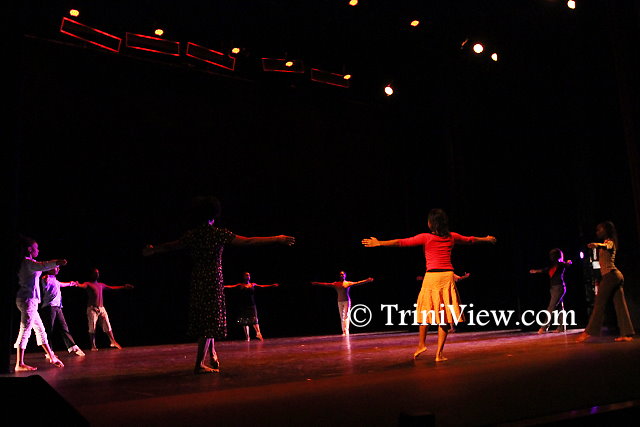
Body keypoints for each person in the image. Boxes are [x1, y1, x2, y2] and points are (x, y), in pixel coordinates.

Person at [143, 196, 295, 374]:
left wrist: (154, 249)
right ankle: (199, 364)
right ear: (212, 216)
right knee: (209, 321)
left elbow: (170, 246)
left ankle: (212, 353)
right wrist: (276, 238)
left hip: (198, 281)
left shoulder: (192, 235)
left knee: (207, 319)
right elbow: (249, 241)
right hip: (213, 280)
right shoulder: (218, 234)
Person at [362, 208, 496, 362]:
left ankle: (421, 344)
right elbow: (470, 240)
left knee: (425, 311)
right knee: (444, 316)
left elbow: (401, 242)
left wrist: (379, 243)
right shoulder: (452, 237)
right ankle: (439, 354)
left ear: (430, 223)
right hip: (446, 277)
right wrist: (486, 239)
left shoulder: (426, 237)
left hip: (432, 277)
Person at [14, 237, 66, 371]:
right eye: (36, 248)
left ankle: (52, 357)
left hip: (29, 300)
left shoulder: (29, 263)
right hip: (28, 300)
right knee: (25, 330)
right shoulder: (27, 262)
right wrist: (56, 262)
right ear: (29, 249)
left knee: (40, 330)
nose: (38, 250)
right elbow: (43, 266)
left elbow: (42, 266)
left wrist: (53, 265)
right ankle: (19, 364)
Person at [576, 221, 635, 342]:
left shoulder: (610, 242)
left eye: (600, 229)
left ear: (606, 230)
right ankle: (626, 333)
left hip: (611, 276)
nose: (597, 232)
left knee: (599, 303)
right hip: (614, 276)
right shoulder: (606, 242)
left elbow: (607, 246)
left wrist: (597, 245)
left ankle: (588, 332)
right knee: (620, 305)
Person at [76, 268, 134, 351]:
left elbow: (112, 288)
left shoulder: (101, 285)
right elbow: (82, 285)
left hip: (101, 308)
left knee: (107, 325)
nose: (97, 274)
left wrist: (123, 287)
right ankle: (93, 346)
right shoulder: (88, 283)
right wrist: (78, 284)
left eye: (98, 273)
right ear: (91, 274)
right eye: (95, 273)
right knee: (92, 327)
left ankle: (113, 341)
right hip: (92, 309)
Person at [311, 271, 374, 336]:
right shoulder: (336, 284)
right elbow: (326, 284)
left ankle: (346, 330)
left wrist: (367, 280)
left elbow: (358, 283)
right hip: (339, 301)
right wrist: (316, 283)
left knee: (346, 315)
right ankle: (343, 331)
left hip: (347, 301)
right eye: (341, 274)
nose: (342, 275)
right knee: (342, 316)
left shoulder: (348, 283)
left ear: (345, 276)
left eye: (343, 274)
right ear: (339, 276)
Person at [40, 266, 85, 356]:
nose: (58, 269)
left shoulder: (55, 281)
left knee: (64, 327)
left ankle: (73, 347)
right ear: (50, 269)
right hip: (50, 307)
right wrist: (45, 278)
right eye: (56, 267)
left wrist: (72, 283)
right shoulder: (46, 278)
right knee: (49, 330)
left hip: (58, 307)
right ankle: (49, 352)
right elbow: (44, 283)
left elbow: (62, 284)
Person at [224, 272, 279, 341]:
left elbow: (262, 286)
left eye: (248, 275)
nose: (248, 276)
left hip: (252, 305)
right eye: (246, 275)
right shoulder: (240, 285)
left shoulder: (253, 284)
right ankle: (247, 337)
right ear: (243, 277)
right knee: (245, 321)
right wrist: (223, 286)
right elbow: (231, 286)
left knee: (255, 320)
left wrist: (271, 285)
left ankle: (258, 334)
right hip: (244, 305)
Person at [529, 249, 572, 334]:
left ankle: (544, 327)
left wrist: (569, 262)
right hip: (554, 288)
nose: (551, 257)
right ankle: (561, 327)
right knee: (559, 308)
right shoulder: (552, 266)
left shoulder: (560, 264)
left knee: (551, 307)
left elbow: (567, 264)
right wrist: (536, 271)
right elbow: (544, 270)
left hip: (558, 288)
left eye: (553, 255)